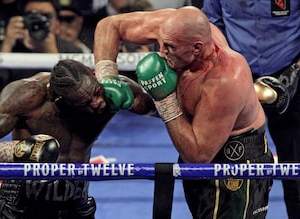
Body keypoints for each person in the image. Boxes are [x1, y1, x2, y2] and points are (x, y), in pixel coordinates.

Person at [93, 6, 275, 218]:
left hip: (236, 158)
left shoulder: (225, 78)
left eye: (169, 47)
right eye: (161, 43)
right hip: (196, 139)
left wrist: (164, 98)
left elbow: (198, 157)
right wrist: (107, 77)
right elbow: (109, 25)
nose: (161, 52)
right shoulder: (174, 27)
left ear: (196, 48)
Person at [0, 59, 156, 219]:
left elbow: (156, 110)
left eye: (96, 92)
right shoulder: (29, 95)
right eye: (85, 102)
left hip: (75, 194)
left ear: (93, 74)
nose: (98, 103)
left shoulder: (112, 89)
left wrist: (148, 97)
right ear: (60, 101)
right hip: (23, 197)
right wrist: (18, 151)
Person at [202, 1, 300, 218]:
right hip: (236, 81)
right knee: (229, 171)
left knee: (296, 170)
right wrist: (224, 69)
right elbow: (210, 25)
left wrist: (295, 71)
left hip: (290, 78)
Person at [0, 0, 82, 107]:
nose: (37, 20)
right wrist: (7, 46)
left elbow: (76, 100)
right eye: (31, 15)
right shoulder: (10, 48)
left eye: (45, 16)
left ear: (57, 23)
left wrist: (52, 55)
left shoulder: (71, 50)